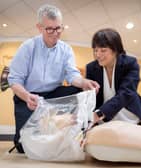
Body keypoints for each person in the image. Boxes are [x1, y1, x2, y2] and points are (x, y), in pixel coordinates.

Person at [8, 4, 99, 153]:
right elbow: (14, 80)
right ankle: (40, 132)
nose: (55, 33)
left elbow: (72, 75)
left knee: (78, 90)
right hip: (28, 97)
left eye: (58, 28)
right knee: (23, 146)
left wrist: (84, 82)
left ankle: (71, 131)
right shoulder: (27, 47)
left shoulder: (66, 50)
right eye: (49, 29)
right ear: (39, 27)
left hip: (53, 95)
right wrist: (26, 96)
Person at [86, 28, 141, 126]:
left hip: (128, 114)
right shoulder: (91, 68)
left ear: (115, 50)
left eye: (103, 50)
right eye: (95, 50)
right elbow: (90, 98)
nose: (97, 55)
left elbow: (126, 93)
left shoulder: (130, 63)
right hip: (103, 119)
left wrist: (99, 114)